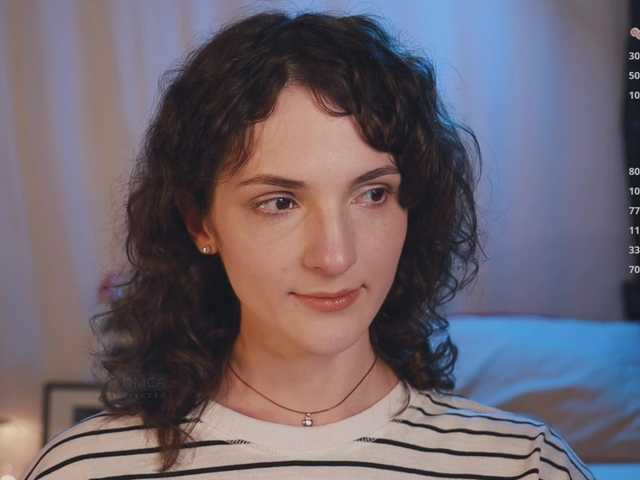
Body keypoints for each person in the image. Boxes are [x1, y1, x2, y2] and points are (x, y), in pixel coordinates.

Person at [23, 10, 594, 480]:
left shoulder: (525, 465)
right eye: (280, 202)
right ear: (201, 224)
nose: (334, 257)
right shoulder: (84, 468)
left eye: (372, 194)